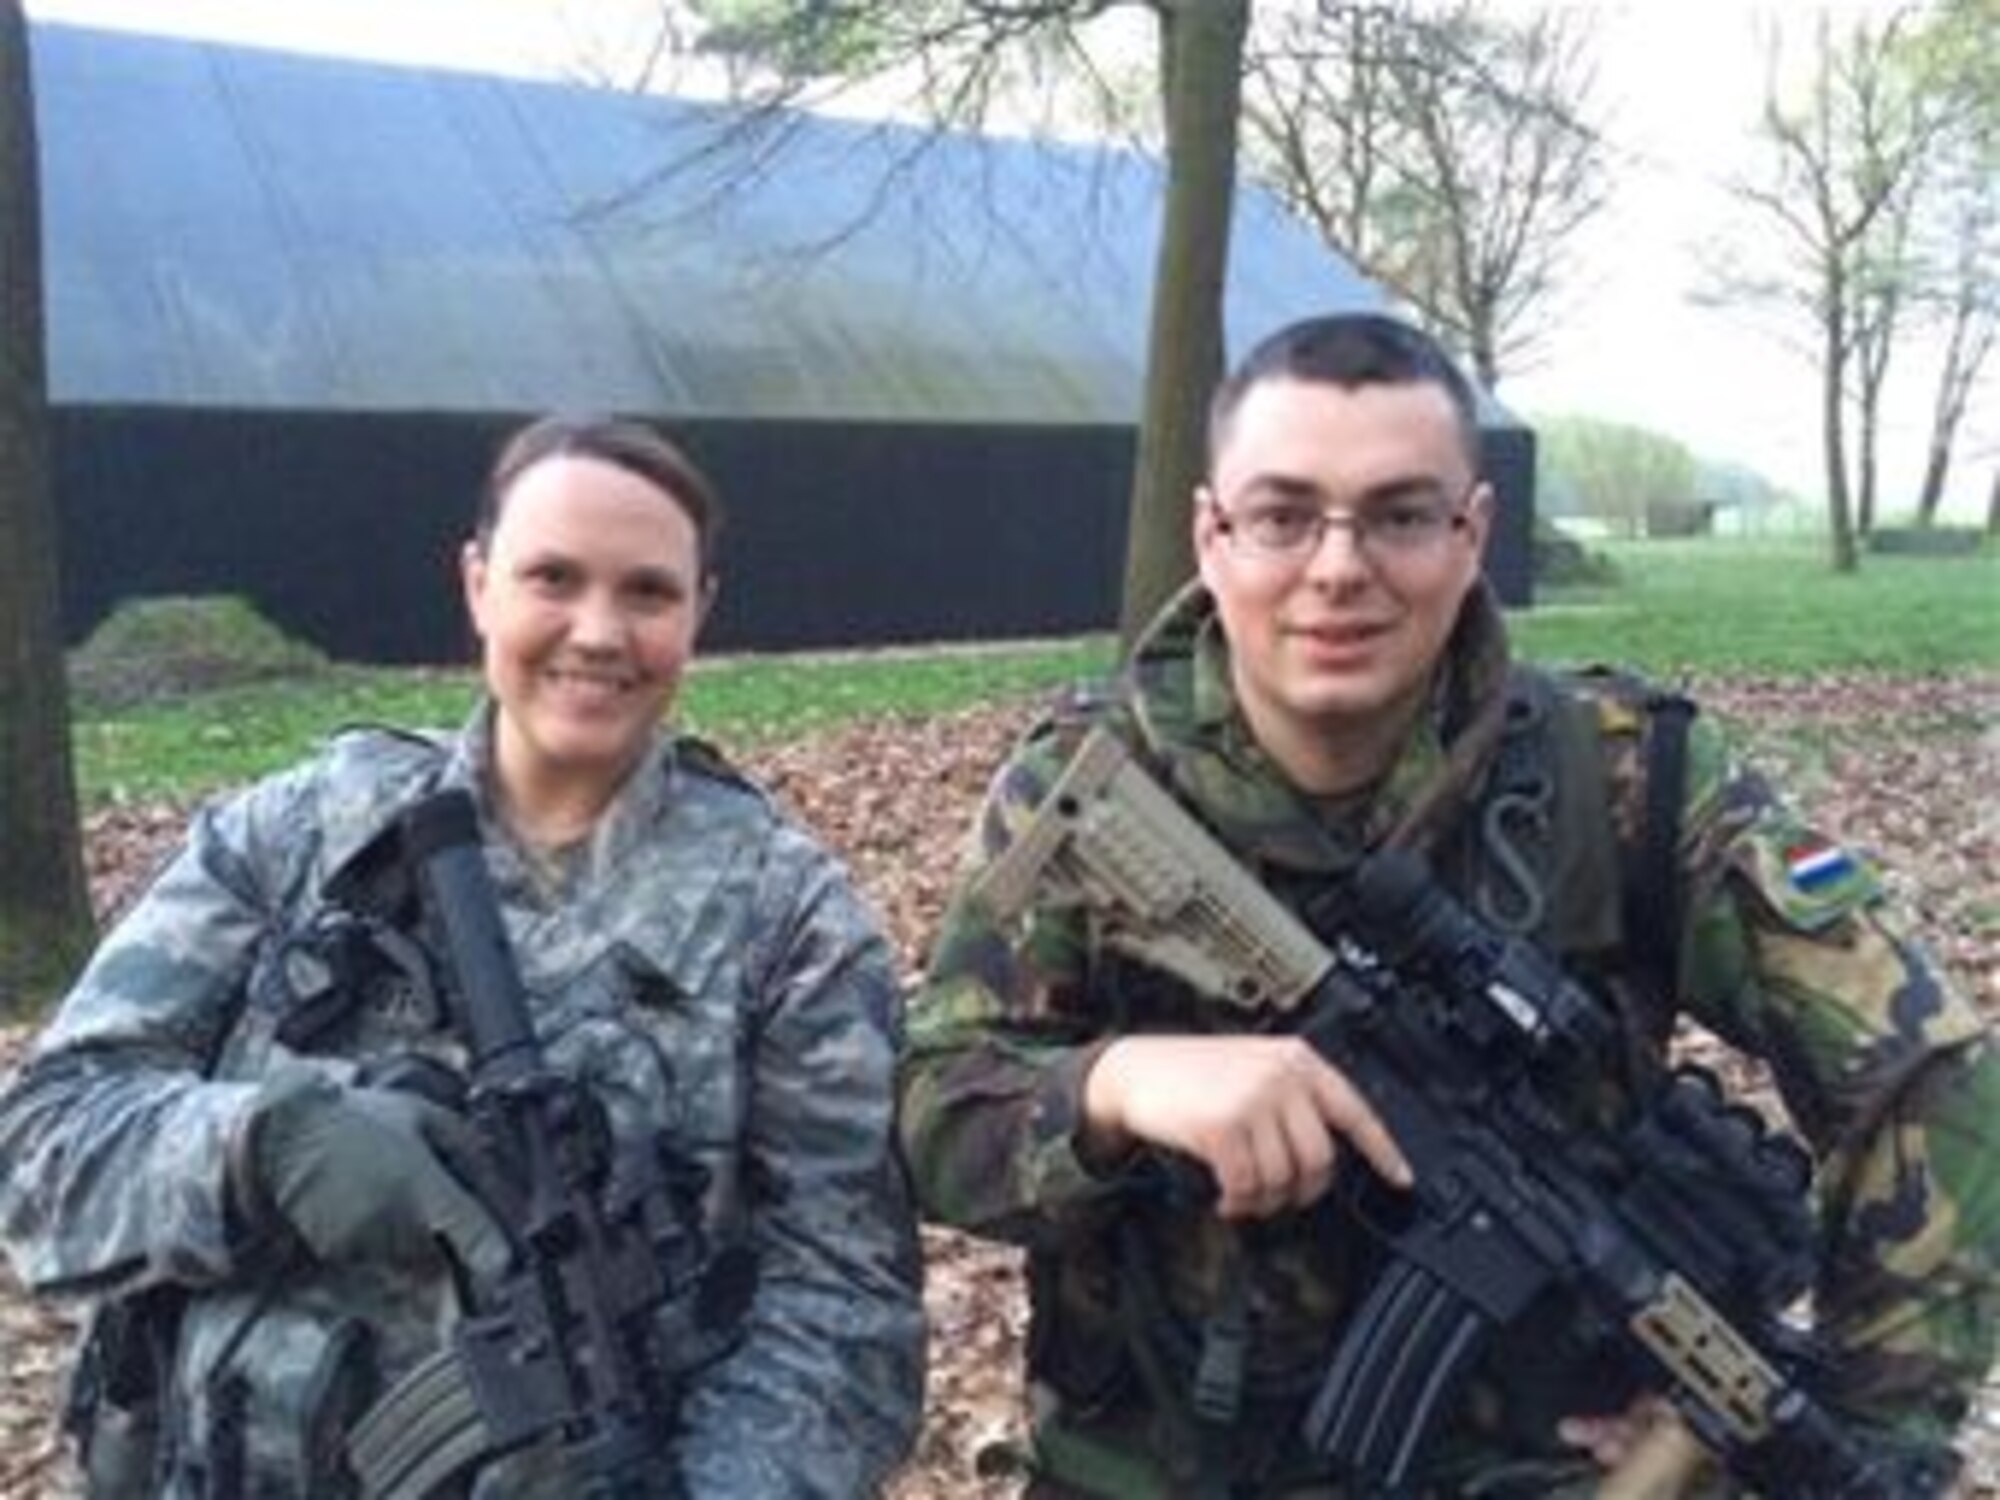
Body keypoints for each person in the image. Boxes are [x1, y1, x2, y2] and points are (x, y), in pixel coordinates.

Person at [898, 313, 1999, 1497]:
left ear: (1471, 532)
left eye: (1399, 514)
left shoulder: (1627, 779)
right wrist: (1114, 1087)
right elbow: (932, 1117)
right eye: (1280, 516)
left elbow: (1930, 1079)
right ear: (1209, 537)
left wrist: (1810, 1426)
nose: (1337, 568)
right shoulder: (1090, 789)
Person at [0, 414, 925, 1496]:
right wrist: (266, 1149)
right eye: (552, 578)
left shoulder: (788, 924)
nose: (597, 630)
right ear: (477, 582)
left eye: (647, 592)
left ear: (699, 612)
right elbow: (42, 1147)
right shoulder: (296, 839)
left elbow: (845, 1310)